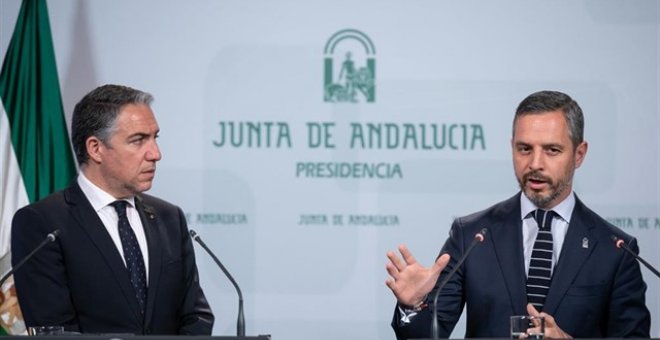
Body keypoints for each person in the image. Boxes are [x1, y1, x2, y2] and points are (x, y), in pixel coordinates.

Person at [385, 90, 651, 339]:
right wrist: (413, 306)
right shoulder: (472, 235)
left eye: (552, 150)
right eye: (525, 149)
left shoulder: (616, 250)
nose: (535, 164)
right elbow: (429, 334)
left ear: (579, 154)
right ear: (512, 147)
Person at [11, 84, 214, 335]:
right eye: (138, 140)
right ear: (95, 148)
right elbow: (54, 329)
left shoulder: (169, 217)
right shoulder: (42, 223)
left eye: (154, 138)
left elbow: (196, 316)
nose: (156, 153)